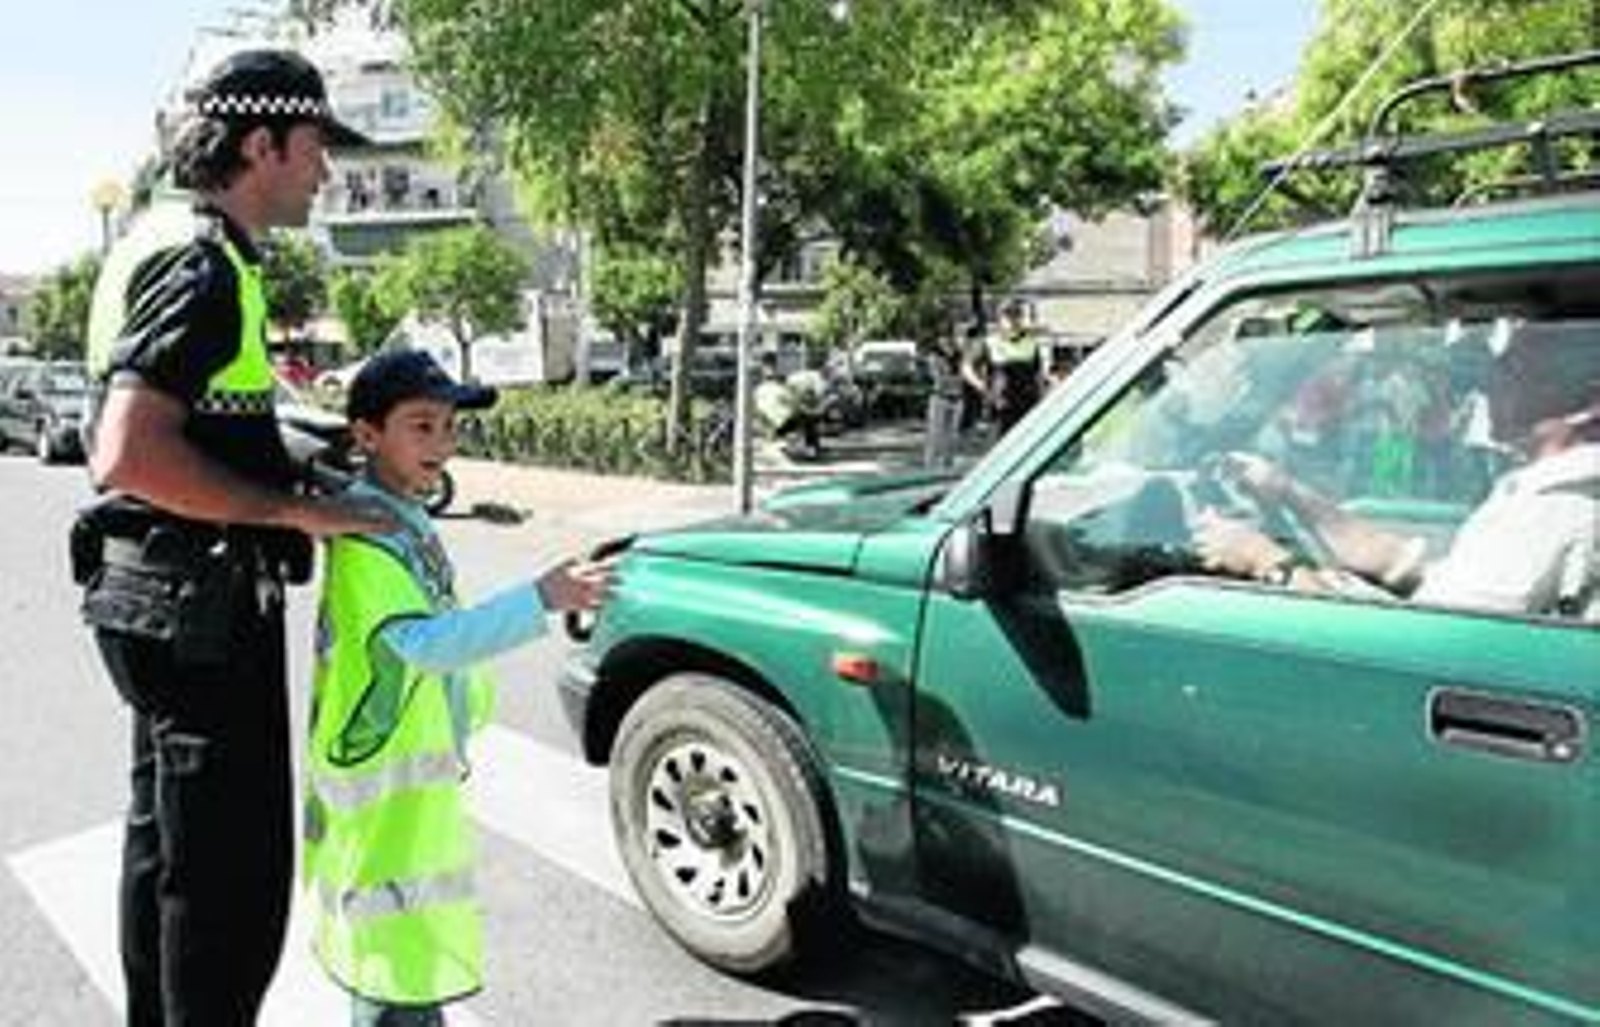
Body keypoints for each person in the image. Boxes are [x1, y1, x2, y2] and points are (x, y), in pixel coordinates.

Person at [75, 49, 389, 1026]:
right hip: (201, 613)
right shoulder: (200, 263)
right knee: (227, 886)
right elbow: (127, 451)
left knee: (169, 858)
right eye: (314, 147)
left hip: (158, 603)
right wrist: (295, 511)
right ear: (261, 145)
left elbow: (202, 417)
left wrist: (294, 459)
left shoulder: (161, 236)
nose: (325, 171)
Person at [302, 350, 613, 1026]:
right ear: (366, 435)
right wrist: (540, 598)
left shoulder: (396, 512)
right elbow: (424, 645)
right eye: (422, 425)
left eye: (449, 425)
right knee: (388, 960)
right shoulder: (370, 534)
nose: (443, 443)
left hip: (402, 779)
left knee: (402, 952)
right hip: (380, 785)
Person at [1195, 322, 1600, 618]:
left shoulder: (1556, 509)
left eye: (1513, 372)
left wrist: (1267, 563)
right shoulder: (1538, 490)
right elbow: (1412, 570)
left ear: (1588, 405)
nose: (1486, 385)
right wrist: (1287, 490)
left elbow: (1435, 646)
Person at [963, 298, 1044, 437]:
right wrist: (983, 387)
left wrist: (1042, 398)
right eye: (1008, 316)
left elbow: (1038, 375)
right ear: (999, 320)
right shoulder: (989, 343)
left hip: (1028, 405)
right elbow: (966, 367)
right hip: (1000, 407)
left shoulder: (1031, 343)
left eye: (1016, 315)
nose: (1013, 320)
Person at [754, 351, 822, 458]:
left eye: (772, 366)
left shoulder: (774, 383)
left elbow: (791, 399)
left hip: (779, 420)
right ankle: (810, 447)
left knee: (807, 417)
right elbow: (791, 400)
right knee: (808, 418)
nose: (771, 369)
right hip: (779, 422)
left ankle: (809, 447)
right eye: (769, 366)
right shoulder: (767, 387)